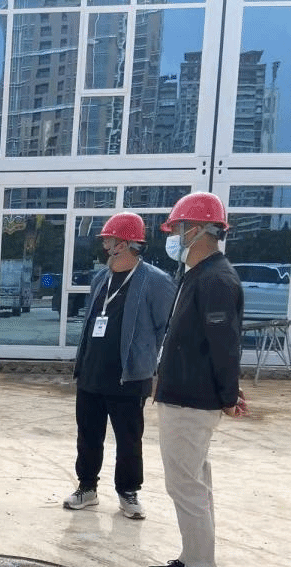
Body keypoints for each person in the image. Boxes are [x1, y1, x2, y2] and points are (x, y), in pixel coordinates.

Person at [148, 192, 246, 567]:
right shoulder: (197, 275)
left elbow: (225, 345)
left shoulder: (215, 280)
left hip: (193, 400)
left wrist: (228, 394)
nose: (174, 236)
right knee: (194, 485)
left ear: (200, 230)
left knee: (186, 487)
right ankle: (191, 560)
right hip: (183, 395)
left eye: (179, 228)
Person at [63, 212, 175, 520]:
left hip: (129, 377)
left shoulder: (155, 281)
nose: (104, 245)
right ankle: (87, 487)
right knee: (88, 436)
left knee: (128, 440)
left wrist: (154, 367)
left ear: (123, 244)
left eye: (108, 240)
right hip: (91, 373)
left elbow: (165, 329)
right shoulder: (101, 278)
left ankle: (128, 492)